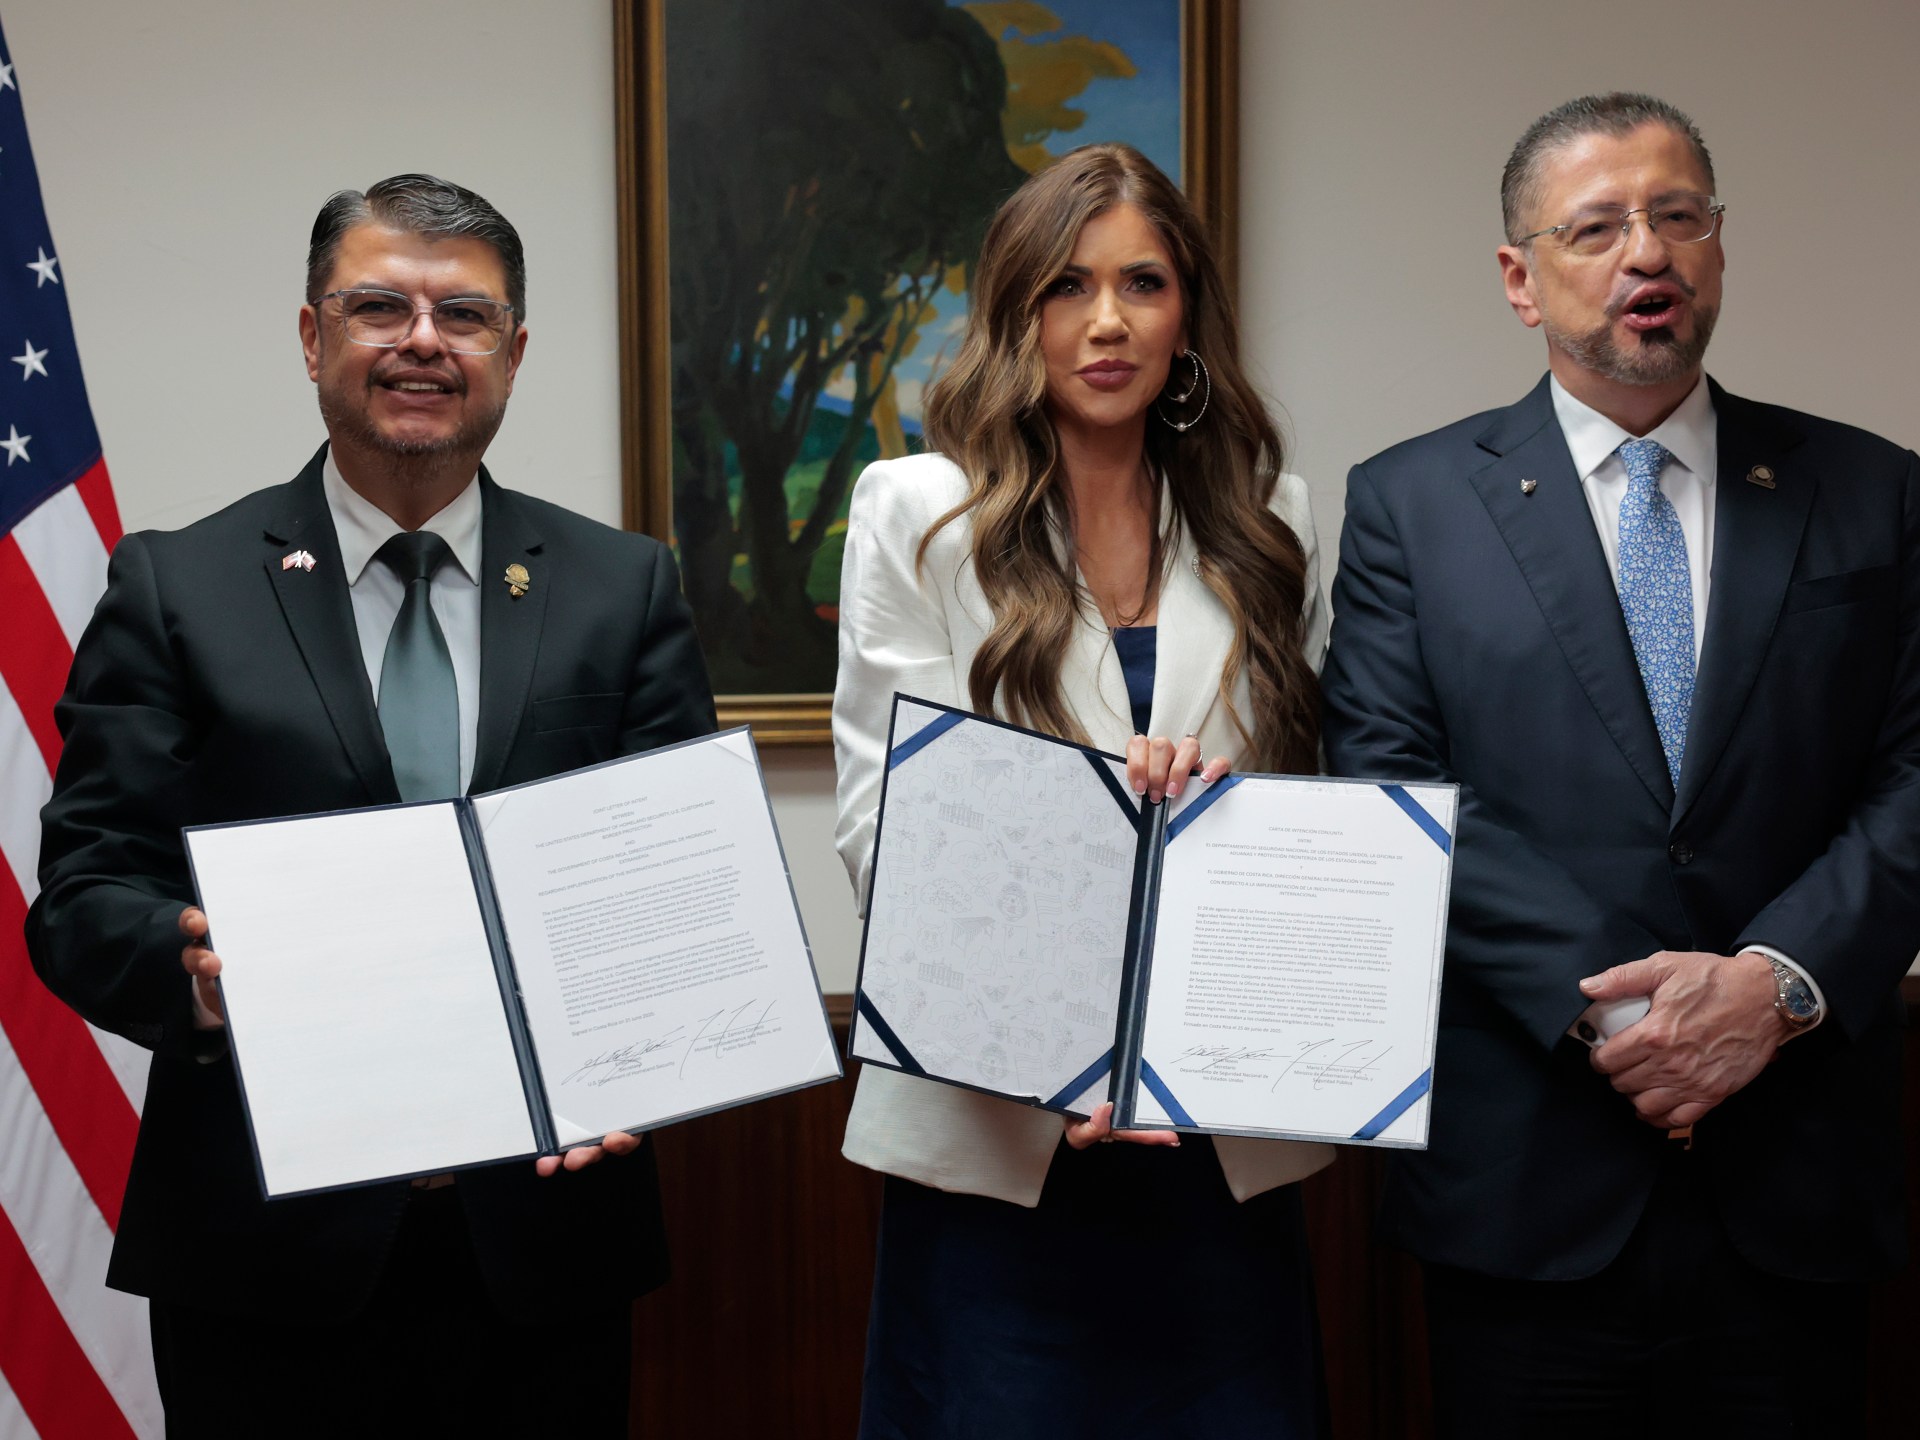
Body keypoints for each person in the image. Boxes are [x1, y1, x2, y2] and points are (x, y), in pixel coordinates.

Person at [27, 174, 715, 1435]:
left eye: (465, 315)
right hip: (261, 1255)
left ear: (514, 354)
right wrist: (198, 969)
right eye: (379, 307)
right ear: (312, 337)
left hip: (544, 1244)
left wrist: (650, 1048)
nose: (423, 342)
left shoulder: (624, 588)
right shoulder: (178, 587)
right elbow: (82, 892)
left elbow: (675, 888)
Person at [1320, 93, 1920, 1438]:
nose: (1648, 251)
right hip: (1528, 1193)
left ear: (1719, 246)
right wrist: (1637, 1024)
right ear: (1519, 278)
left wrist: (1773, 987)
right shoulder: (1412, 505)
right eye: (1597, 227)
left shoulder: (1871, 490)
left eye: (1679, 215)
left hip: (1798, 1182)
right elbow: (1389, 788)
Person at [832, 143, 1330, 1438]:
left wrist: (1229, 803)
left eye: (1143, 283)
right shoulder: (918, 511)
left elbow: (1307, 814)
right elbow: (887, 829)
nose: (1107, 321)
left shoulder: (1271, 517)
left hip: (1218, 1134)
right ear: (1016, 313)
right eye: (1067, 285)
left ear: (1187, 315)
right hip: (1000, 1139)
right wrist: (1049, 1049)